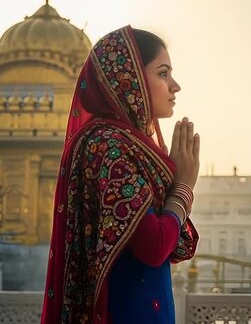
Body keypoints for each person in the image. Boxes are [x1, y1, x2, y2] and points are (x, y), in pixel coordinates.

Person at [41, 25, 200, 323]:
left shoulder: (125, 144)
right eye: (163, 73)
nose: (175, 85)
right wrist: (182, 187)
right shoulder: (110, 145)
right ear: (130, 80)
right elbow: (154, 246)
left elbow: (173, 244)